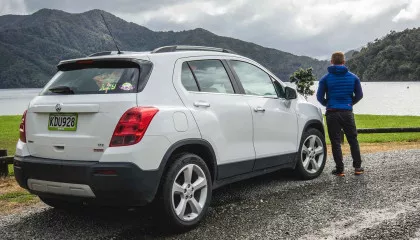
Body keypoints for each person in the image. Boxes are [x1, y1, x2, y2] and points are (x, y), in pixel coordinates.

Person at [316, 52, 364, 176]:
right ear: (344, 61)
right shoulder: (353, 77)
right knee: (353, 140)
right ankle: (357, 168)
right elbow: (359, 95)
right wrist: (349, 103)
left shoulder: (325, 78)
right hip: (347, 112)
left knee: (335, 142)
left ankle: (340, 169)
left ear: (331, 61)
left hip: (332, 113)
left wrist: (328, 104)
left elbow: (319, 97)